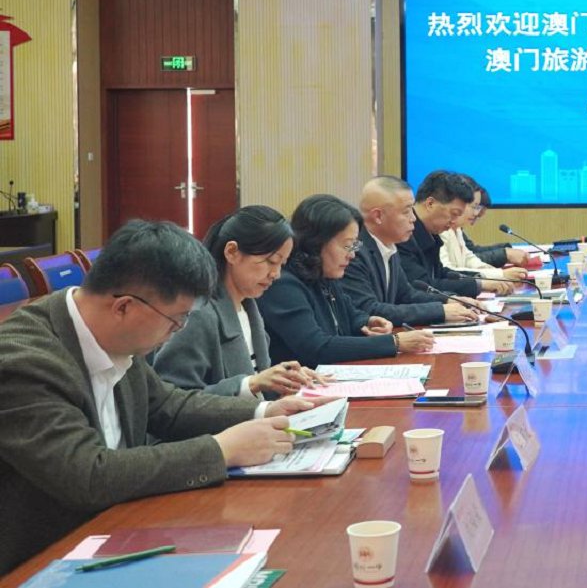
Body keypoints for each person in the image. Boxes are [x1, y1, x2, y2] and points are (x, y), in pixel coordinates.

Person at [0, 220, 316, 574]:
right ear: (124, 307)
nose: (176, 332)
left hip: (118, 527)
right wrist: (220, 450)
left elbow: (167, 406)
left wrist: (263, 410)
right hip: (41, 559)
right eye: (175, 320)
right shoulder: (23, 362)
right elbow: (87, 474)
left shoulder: (115, 333)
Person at [151, 205, 325, 397]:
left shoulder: (249, 307)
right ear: (232, 252)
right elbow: (171, 398)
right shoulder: (198, 314)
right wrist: (251, 384)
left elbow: (256, 384)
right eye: (271, 261)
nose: (276, 274)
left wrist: (286, 380)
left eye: (281, 264)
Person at [258, 194, 435, 366]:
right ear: (316, 243)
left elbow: (350, 313)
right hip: (302, 383)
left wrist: (366, 322)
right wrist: (394, 342)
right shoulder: (283, 284)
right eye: (347, 245)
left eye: (354, 245)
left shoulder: (324, 274)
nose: (352, 255)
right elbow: (317, 347)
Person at [341, 176, 478, 326]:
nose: (413, 218)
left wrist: (449, 300)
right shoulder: (353, 252)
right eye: (406, 212)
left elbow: (406, 295)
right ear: (378, 216)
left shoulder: (389, 246)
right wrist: (439, 310)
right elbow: (370, 310)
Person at [400, 170, 488, 297]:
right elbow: (422, 285)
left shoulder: (431, 232)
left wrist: (480, 281)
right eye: (454, 214)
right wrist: (448, 301)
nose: (454, 221)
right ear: (430, 204)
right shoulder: (403, 236)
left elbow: (440, 273)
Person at [462, 183, 530, 268]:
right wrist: (504, 254)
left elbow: (472, 251)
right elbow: (466, 262)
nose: (473, 222)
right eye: (474, 208)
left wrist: (505, 249)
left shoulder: (458, 230)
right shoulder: (448, 230)